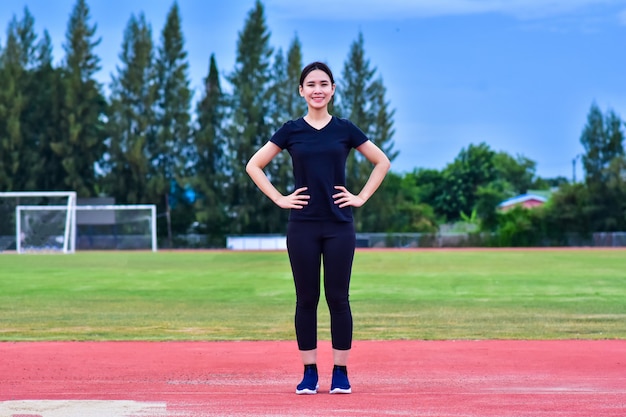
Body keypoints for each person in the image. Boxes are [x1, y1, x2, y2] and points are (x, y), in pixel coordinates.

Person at [246, 61, 390, 395]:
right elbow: (254, 164)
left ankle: (340, 372)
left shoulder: (345, 129)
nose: (317, 89)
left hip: (339, 225)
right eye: (311, 84)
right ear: (301, 91)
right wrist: (280, 199)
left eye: (324, 84)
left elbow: (381, 161)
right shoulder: (291, 130)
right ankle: (309, 372)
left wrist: (361, 197)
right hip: (303, 226)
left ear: (333, 89)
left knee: (339, 298)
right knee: (306, 299)